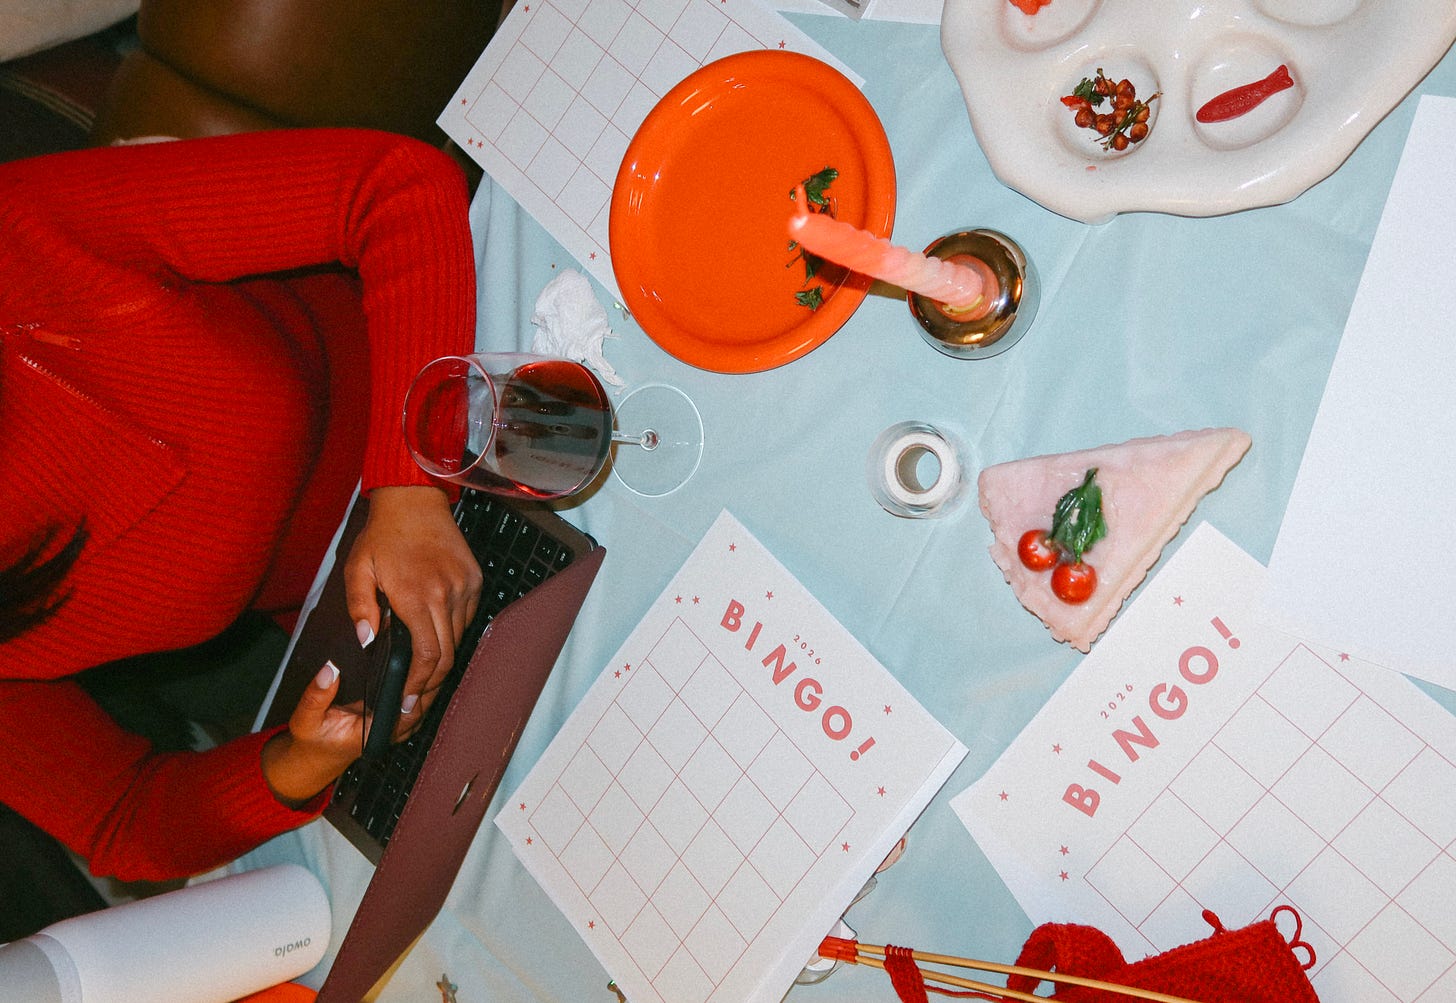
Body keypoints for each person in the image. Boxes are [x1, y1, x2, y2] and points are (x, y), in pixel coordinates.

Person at [0, 128, 484, 884]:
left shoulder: (18, 243)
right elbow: (123, 820)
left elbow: (393, 183)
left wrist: (409, 491)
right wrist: (295, 763)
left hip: (469, 366)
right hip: (397, 619)